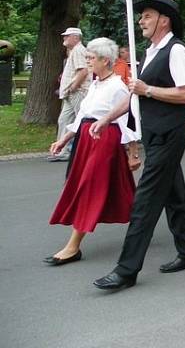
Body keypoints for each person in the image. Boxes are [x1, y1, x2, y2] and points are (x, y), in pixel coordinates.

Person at [92, 0, 185, 291]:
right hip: (153, 133)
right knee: (173, 194)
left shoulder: (175, 50)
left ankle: (127, 270)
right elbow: (135, 94)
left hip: (169, 133)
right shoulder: (152, 51)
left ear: (164, 20)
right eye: (140, 16)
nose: (141, 20)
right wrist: (106, 118)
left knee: (145, 200)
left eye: (148, 15)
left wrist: (148, 89)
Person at [45, 38, 137, 265]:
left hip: (105, 140)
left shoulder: (117, 86)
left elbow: (129, 118)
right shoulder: (95, 84)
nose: (87, 62)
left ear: (105, 61)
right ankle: (143, 218)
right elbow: (82, 118)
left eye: (91, 58)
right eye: (86, 58)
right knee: (119, 190)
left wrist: (133, 151)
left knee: (89, 187)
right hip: (86, 140)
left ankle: (73, 246)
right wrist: (64, 139)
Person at [47, 27, 90, 162]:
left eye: (67, 36)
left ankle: (88, 149)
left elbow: (83, 71)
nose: (64, 38)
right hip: (70, 94)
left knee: (83, 121)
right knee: (64, 120)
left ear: (76, 37)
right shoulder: (74, 51)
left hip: (77, 92)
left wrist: (73, 87)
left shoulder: (78, 50)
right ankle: (63, 151)